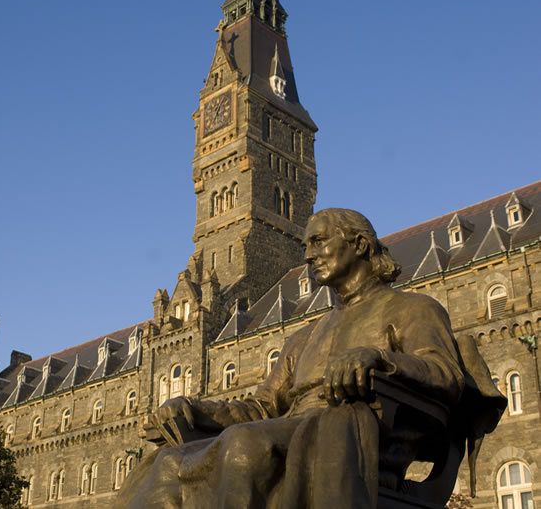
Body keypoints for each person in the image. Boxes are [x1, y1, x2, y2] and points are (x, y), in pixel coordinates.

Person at [117, 208, 494, 509]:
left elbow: (445, 373)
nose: (309, 254)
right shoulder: (304, 336)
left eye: (318, 242)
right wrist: (199, 410)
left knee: (243, 445)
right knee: (164, 462)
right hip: (290, 431)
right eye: (306, 245)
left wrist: (379, 360)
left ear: (360, 244)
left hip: (360, 430)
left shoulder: (411, 308)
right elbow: (262, 405)